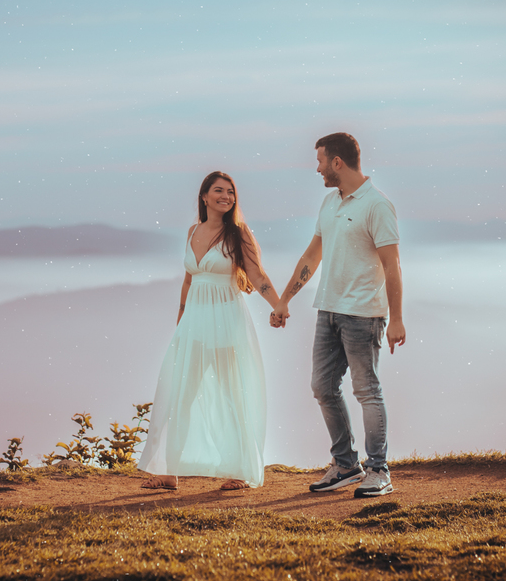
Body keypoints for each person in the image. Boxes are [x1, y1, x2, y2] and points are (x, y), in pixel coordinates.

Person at [270, 132, 406, 498]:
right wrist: (284, 300)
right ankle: (346, 464)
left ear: (337, 162)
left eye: (319, 161)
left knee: (367, 390)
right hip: (327, 311)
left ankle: (379, 470)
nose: (316, 169)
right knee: (322, 387)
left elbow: (391, 265)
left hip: (363, 315)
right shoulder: (330, 203)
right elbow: (311, 256)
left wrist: (396, 319)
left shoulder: (377, 205)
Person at [139, 171, 284, 491]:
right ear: (204, 197)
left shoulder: (238, 233)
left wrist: (278, 304)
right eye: (219, 190)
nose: (226, 196)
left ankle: (240, 471)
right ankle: (168, 471)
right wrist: (181, 320)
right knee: (183, 392)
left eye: (231, 192)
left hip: (227, 319)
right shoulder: (193, 230)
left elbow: (257, 275)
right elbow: (189, 280)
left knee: (232, 393)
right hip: (195, 322)